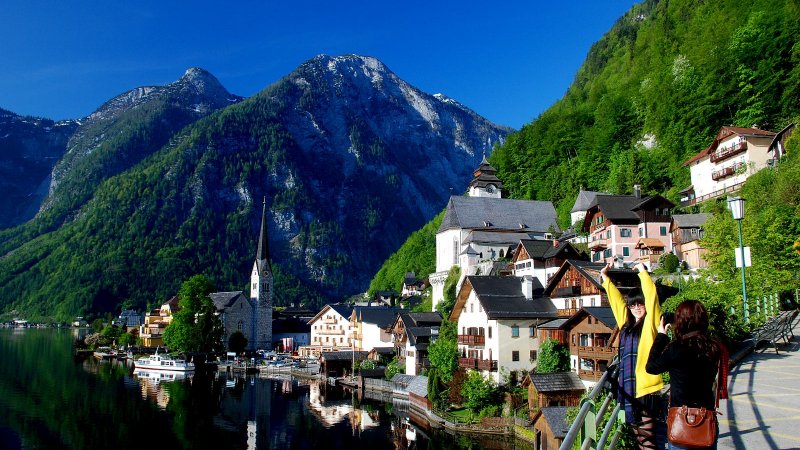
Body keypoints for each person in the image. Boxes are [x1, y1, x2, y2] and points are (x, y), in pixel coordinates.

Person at [646, 300, 729, 450]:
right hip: (706, 419)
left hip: (680, 422)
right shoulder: (715, 348)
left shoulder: (676, 349)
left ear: (680, 321)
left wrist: (661, 336)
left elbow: (651, 367)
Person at [601, 262, 666, 450]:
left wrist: (643, 273)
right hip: (628, 388)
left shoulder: (650, 324)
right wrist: (606, 279)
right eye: (633, 304)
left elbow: (652, 298)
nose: (636, 307)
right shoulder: (626, 326)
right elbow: (616, 304)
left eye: (640, 303)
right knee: (639, 438)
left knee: (648, 441)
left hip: (645, 389)